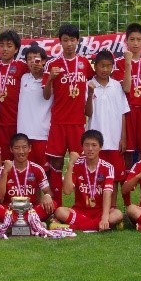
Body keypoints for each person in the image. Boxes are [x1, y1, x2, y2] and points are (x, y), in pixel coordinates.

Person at [43, 24, 95, 206]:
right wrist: (50, 79)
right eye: (65, 40)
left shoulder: (85, 64)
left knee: (81, 164)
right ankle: (56, 206)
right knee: (55, 165)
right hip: (58, 122)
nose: (69, 44)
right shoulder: (52, 64)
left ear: (78, 41)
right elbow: (46, 95)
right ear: (60, 42)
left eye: (72, 40)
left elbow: (92, 85)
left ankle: (83, 204)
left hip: (78, 123)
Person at [54, 130, 124, 231]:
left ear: (100, 147)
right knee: (60, 211)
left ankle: (73, 227)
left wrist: (104, 217)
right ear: (82, 147)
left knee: (117, 214)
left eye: (94, 145)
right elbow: (67, 191)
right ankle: (99, 225)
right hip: (80, 211)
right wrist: (70, 165)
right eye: (86, 145)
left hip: (100, 211)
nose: (90, 149)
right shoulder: (77, 164)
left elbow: (107, 193)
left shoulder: (108, 167)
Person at [86, 50, 129, 206]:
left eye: (108, 66)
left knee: (115, 177)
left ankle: (113, 207)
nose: (105, 69)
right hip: (96, 142)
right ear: (95, 67)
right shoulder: (89, 85)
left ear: (112, 67)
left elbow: (123, 112)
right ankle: (96, 208)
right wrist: (90, 94)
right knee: (97, 176)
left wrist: (123, 138)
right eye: (101, 66)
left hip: (114, 139)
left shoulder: (117, 86)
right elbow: (87, 112)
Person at [113, 22, 141, 167]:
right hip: (127, 111)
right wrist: (128, 63)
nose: (135, 43)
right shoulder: (119, 62)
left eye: (138, 39)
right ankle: (128, 183)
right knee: (127, 151)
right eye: (132, 39)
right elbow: (126, 89)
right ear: (126, 41)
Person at [0, 29, 29, 161]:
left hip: (16, 121)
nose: (4, 49)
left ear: (16, 49)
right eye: (2, 45)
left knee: (17, 156)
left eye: (9, 46)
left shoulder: (22, 66)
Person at [0, 134, 55, 223]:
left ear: (30, 148)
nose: (21, 151)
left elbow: (48, 191)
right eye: (17, 148)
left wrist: (47, 196)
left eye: (24, 147)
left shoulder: (37, 169)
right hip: (9, 210)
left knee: (53, 203)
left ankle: (11, 222)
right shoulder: (3, 170)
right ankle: (32, 222)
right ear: (11, 149)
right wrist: (5, 173)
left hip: (31, 210)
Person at [17, 44, 52, 171]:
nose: (33, 61)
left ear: (43, 61)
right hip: (24, 133)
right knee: (28, 172)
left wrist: (46, 75)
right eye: (29, 59)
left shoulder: (50, 79)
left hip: (43, 134)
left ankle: (49, 192)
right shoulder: (23, 78)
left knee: (45, 171)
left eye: (36, 58)